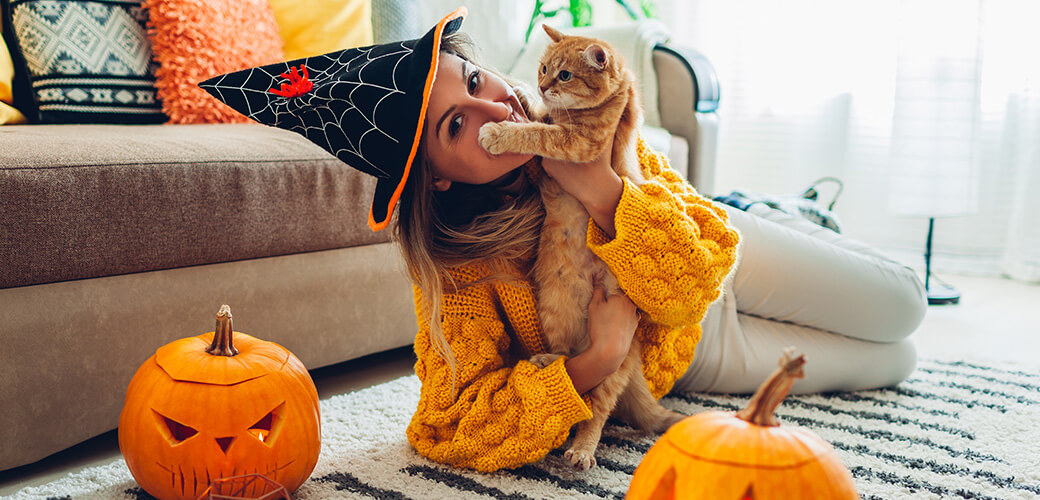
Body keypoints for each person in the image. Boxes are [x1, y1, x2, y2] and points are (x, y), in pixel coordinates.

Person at [202, 8, 927, 473]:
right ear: (439, 180)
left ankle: (786, 217)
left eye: (476, 79)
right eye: (457, 125)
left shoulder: (575, 112)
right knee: (897, 359)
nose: (498, 103)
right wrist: (597, 360)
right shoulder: (463, 271)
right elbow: (449, 427)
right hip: (688, 350)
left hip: (711, 259)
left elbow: (694, 277)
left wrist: (599, 186)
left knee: (903, 304)